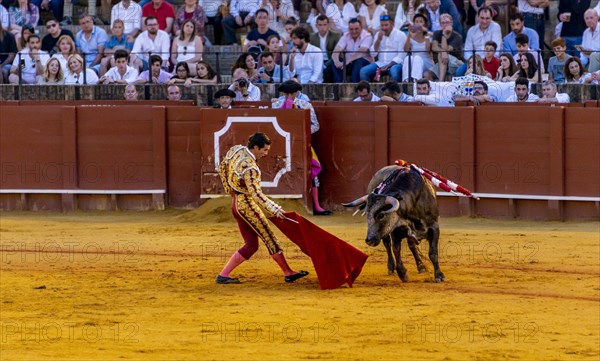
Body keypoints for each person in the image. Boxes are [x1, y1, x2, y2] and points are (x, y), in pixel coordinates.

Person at [216, 132, 310, 284]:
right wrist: (275, 209)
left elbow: (222, 168)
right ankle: (288, 272)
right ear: (255, 147)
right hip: (246, 206)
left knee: (251, 245)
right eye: (264, 150)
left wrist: (230, 191)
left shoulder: (236, 150)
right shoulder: (250, 168)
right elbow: (256, 194)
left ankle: (224, 274)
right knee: (270, 238)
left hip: (236, 204)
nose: (266, 153)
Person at [272, 80, 332, 216]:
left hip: (302, 145)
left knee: (312, 173)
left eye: (291, 93)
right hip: (282, 145)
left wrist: (300, 133)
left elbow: (316, 126)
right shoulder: (276, 105)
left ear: (297, 93)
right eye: (286, 94)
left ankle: (316, 206)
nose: (288, 97)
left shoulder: (305, 105)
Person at [361, 14, 418, 82]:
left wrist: (389, 65)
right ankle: (368, 91)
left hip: (395, 64)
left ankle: (393, 92)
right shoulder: (378, 34)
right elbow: (373, 54)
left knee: (395, 72)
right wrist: (378, 40)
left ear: (392, 24)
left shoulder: (400, 35)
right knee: (363, 71)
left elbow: (401, 56)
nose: (384, 27)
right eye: (382, 25)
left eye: (386, 25)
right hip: (380, 63)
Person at [462, 6, 502, 75]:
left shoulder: (495, 27)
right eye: (482, 18)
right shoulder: (471, 30)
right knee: (459, 71)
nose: (484, 21)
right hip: (475, 61)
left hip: (490, 60)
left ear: (491, 18)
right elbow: (467, 51)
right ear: (477, 17)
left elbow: (497, 49)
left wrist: (486, 61)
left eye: (487, 18)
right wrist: (473, 62)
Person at [332, 17, 373, 83]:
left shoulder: (367, 36)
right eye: (351, 29)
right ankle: (339, 84)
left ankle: (354, 83)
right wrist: (336, 62)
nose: (354, 31)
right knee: (334, 61)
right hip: (350, 64)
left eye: (356, 29)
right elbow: (337, 50)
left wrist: (347, 61)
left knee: (358, 60)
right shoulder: (346, 35)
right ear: (348, 29)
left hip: (364, 64)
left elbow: (361, 51)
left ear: (361, 27)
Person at [430, 13, 463, 81]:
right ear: (440, 24)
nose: (445, 25)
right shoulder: (436, 33)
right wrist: (443, 51)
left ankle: (441, 82)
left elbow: (447, 49)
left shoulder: (457, 37)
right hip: (441, 63)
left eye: (447, 22)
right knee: (426, 74)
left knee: (441, 54)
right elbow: (434, 47)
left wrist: (444, 36)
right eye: (443, 23)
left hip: (456, 63)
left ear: (451, 23)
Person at [310, 15, 340, 83]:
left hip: (331, 60)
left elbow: (338, 53)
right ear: (316, 25)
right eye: (320, 25)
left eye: (324, 25)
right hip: (317, 61)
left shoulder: (335, 35)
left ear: (328, 25)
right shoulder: (312, 37)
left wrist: (325, 65)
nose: (322, 27)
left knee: (328, 71)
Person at [579, 8, 599, 73]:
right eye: (587, 18)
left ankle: (591, 80)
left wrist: (592, 52)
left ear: (597, 18)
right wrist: (581, 65)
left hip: (597, 58)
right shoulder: (586, 32)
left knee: (593, 56)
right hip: (589, 61)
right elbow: (583, 52)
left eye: (591, 18)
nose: (589, 20)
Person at [0, 18, 17, 83]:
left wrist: (1, 65)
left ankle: (3, 90)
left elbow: (11, 56)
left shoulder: (9, 36)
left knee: (3, 71)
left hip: (6, 63)